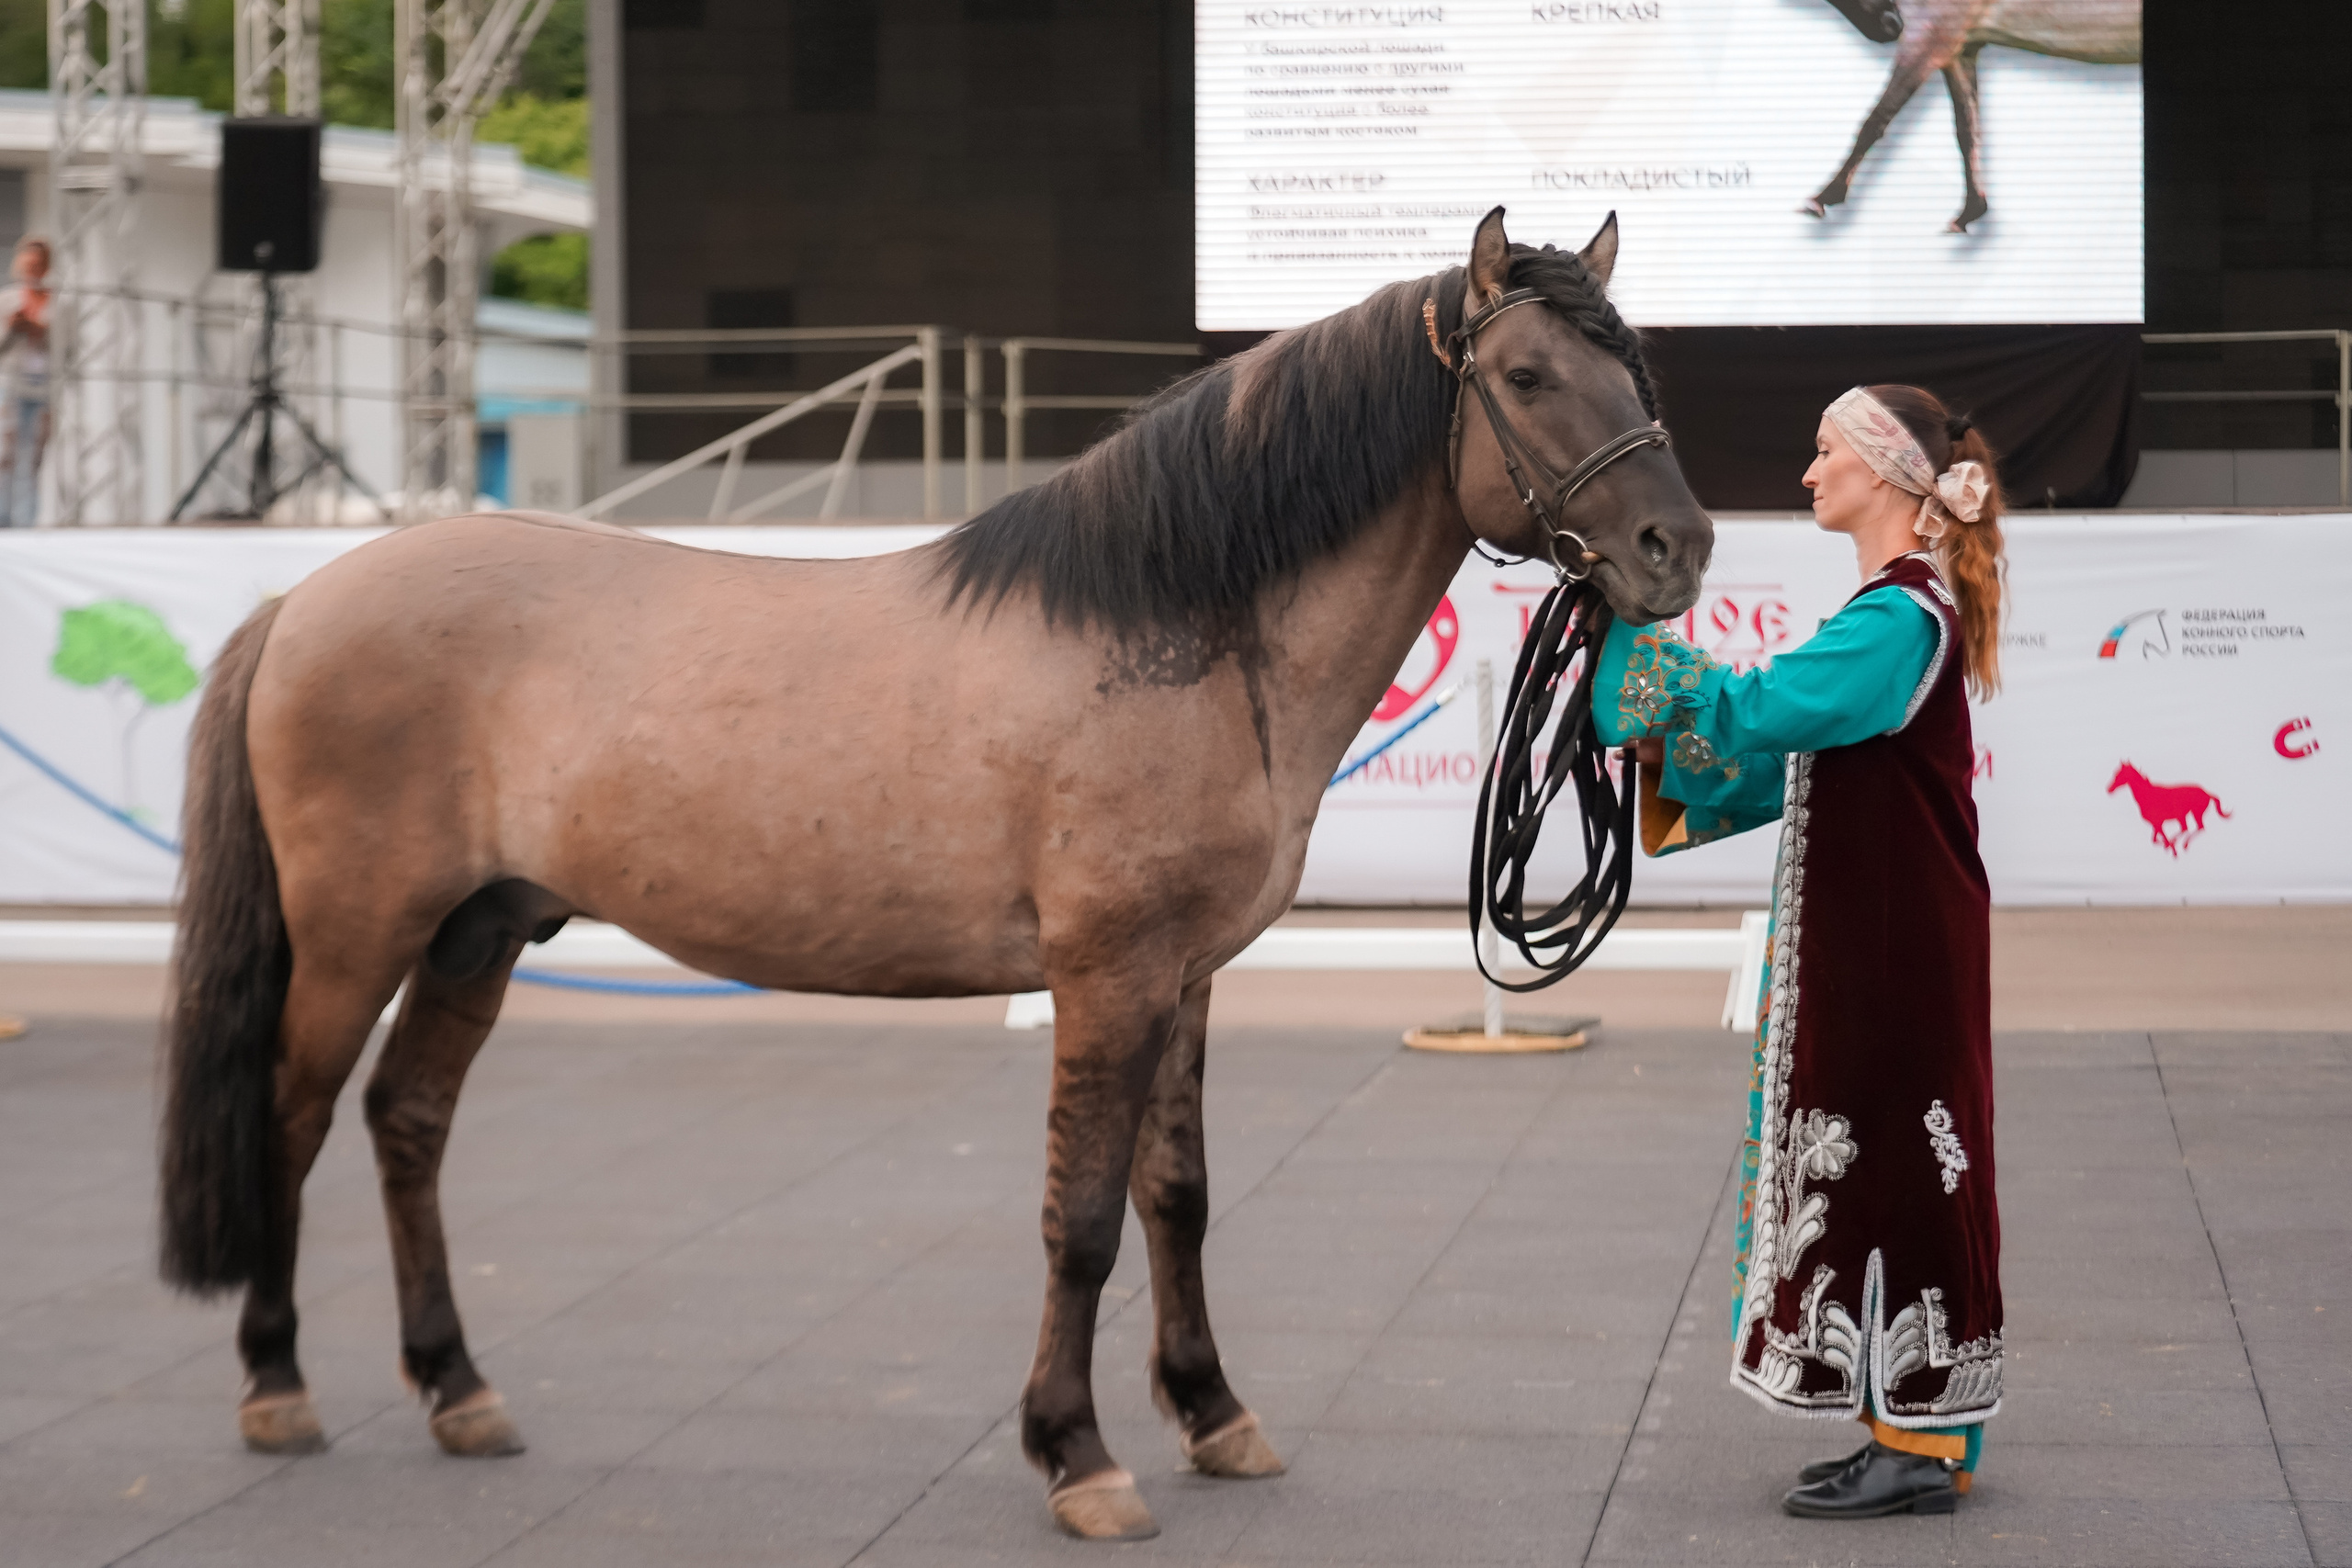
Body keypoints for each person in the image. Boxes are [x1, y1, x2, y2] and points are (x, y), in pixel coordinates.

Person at [1593, 383, 2006, 1518]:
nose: (1809, 472)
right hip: (1885, 941)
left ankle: (1917, 1443)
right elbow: (1788, 751)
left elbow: (1760, 711)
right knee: (1880, 1161)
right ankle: (1902, 1425)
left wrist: (1630, 640)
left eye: (1825, 452)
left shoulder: (1894, 619)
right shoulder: (1897, 609)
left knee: (1894, 1166)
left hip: (1889, 952)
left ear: (1881, 472)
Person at [0, 236, 54, 527]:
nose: (31, 269)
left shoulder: (58, 303)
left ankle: (27, 521)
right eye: (27, 264)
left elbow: (71, 349)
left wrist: (42, 330)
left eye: (38, 265)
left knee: (33, 457)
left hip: (44, 387)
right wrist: (11, 327)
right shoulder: (6, 300)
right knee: (5, 453)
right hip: (11, 385)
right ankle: (2, 518)